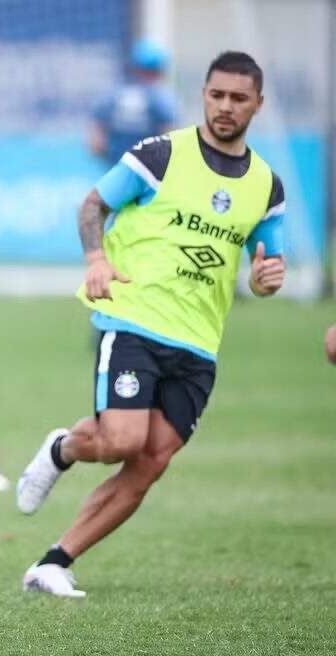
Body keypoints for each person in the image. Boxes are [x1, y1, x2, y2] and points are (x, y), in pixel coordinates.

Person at [15, 51, 286, 597]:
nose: (226, 106)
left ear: (258, 104)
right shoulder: (161, 154)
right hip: (133, 320)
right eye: (217, 95)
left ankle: (53, 563)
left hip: (199, 343)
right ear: (203, 94)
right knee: (121, 440)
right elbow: (93, 204)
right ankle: (62, 449)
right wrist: (97, 260)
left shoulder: (266, 186)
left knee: (151, 460)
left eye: (238, 98)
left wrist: (264, 281)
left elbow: (265, 267)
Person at [89, 40, 177, 167]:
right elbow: (170, 137)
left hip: (116, 167)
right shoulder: (161, 98)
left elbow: (96, 143)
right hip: (148, 170)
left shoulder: (112, 95)